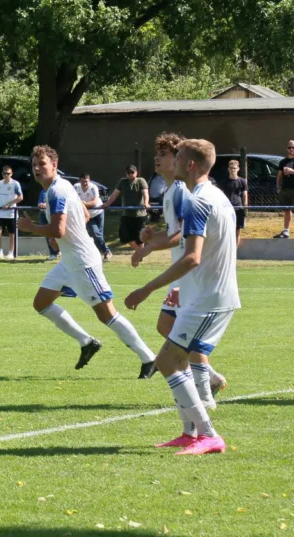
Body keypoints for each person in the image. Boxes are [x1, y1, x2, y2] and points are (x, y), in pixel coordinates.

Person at [125, 139, 240, 455]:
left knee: (167, 360)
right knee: (176, 359)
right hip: (203, 294)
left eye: (177, 159)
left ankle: (208, 435)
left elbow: (192, 257)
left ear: (189, 164)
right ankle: (190, 433)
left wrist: (146, 289)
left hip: (209, 297)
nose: (170, 163)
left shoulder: (197, 200)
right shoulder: (213, 196)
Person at [18, 146, 157, 378]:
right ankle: (86, 342)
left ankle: (149, 358)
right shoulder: (63, 187)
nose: (37, 169)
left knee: (107, 315)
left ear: (54, 164)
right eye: (34, 165)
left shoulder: (56, 192)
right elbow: (82, 215)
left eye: (42, 164)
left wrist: (31, 227)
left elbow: (58, 229)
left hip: (83, 262)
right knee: (41, 303)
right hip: (70, 262)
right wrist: (63, 237)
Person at [131, 132, 227, 408]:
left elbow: (184, 237)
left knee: (180, 332)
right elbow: (176, 233)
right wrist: (154, 235)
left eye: (164, 154)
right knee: (168, 326)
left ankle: (205, 391)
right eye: (156, 154)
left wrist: (150, 247)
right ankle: (208, 379)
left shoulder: (185, 193)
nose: (157, 159)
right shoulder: (172, 190)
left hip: (190, 276)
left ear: (180, 161)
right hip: (184, 275)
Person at [103, 165, 149, 250]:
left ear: (136, 172)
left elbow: (145, 193)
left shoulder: (141, 181)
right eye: (128, 173)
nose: (130, 174)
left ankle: (140, 252)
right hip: (127, 214)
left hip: (140, 214)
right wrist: (107, 204)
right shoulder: (122, 182)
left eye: (132, 172)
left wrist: (146, 203)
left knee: (140, 237)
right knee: (124, 234)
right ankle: (139, 251)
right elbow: (115, 194)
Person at [0, 166, 23, 260]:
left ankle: (11, 253)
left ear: (11, 174)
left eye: (8, 173)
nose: (6, 175)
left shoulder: (15, 184)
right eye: (4, 173)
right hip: (0, 213)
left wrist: (9, 204)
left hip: (11, 213)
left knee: (11, 233)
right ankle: (0, 252)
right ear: (2, 173)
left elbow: (20, 197)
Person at [76, 174, 111, 261]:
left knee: (99, 235)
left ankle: (99, 255)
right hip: (88, 215)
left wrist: (83, 204)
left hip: (98, 212)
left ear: (89, 180)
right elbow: (73, 201)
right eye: (83, 181)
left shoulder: (93, 187)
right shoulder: (76, 187)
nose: (85, 183)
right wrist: (83, 205)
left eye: (86, 181)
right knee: (95, 233)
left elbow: (94, 202)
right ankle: (107, 251)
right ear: (79, 181)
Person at [221, 160, 248, 246]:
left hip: (238, 208)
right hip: (226, 208)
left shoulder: (242, 181)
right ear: (228, 169)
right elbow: (220, 194)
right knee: (227, 230)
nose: (233, 170)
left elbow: (245, 195)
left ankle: (235, 252)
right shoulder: (224, 181)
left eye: (234, 168)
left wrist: (245, 207)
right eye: (231, 168)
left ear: (238, 169)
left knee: (237, 230)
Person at [275, 139, 294, 238]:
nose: (291, 149)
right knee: (287, 210)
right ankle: (286, 231)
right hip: (285, 190)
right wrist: (278, 187)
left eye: (293, 148)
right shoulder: (283, 161)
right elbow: (279, 175)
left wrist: (292, 171)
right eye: (289, 147)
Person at [37, 187, 61, 262]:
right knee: (47, 235)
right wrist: (40, 204)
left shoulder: (55, 191)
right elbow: (39, 203)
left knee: (54, 234)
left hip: (52, 215)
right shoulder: (43, 191)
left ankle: (58, 251)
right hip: (43, 214)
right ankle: (53, 253)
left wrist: (47, 205)